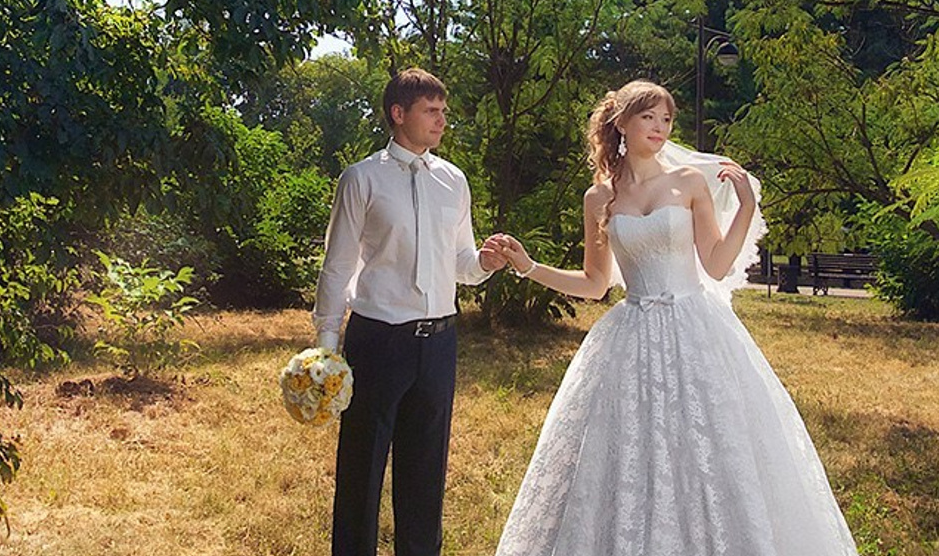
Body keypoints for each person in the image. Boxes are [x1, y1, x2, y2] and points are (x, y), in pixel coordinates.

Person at [484, 80, 859, 556]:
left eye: (666, 119)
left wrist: (746, 206)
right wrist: (528, 266)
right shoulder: (599, 198)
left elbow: (717, 263)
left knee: (712, 446)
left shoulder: (688, 183)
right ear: (622, 123)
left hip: (694, 327)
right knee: (628, 457)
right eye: (649, 117)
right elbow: (595, 284)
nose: (660, 127)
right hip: (630, 332)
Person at [312, 67, 507, 556]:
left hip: (439, 341)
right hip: (378, 340)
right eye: (431, 111)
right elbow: (337, 267)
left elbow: (461, 261)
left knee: (426, 471)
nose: (442, 120)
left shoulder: (453, 181)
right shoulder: (362, 178)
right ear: (399, 114)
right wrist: (328, 350)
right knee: (362, 468)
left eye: (444, 111)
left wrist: (485, 261)